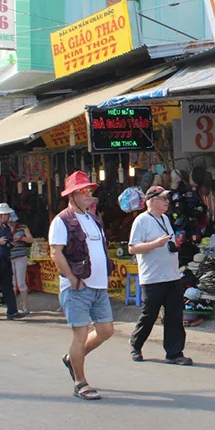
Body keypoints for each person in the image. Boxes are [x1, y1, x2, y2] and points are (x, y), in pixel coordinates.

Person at [49, 171, 115, 401]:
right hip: (77, 286)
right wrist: (71, 277)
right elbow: (56, 252)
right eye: (84, 191)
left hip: (98, 286)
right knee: (80, 333)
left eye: (90, 191)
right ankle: (80, 382)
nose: (89, 195)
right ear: (72, 195)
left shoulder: (93, 218)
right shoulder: (61, 220)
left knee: (106, 330)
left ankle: (72, 358)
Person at [128, 186, 191, 365]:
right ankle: (136, 343)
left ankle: (174, 352)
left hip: (171, 275)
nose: (167, 202)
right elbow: (132, 248)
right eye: (163, 198)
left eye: (167, 199)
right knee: (150, 315)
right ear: (152, 200)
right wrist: (155, 244)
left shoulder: (164, 218)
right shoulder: (141, 221)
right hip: (152, 277)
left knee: (174, 315)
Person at [9, 213, 32, 316]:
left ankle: (25, 306)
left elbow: (30, 239)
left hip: (20, 256)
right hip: (9, 257)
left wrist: (21, 238)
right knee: (12, 283)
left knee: (21, 282)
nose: (11, 223)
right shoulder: (4, 228)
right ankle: (13, 307)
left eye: (13, 221)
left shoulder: (23, 228)